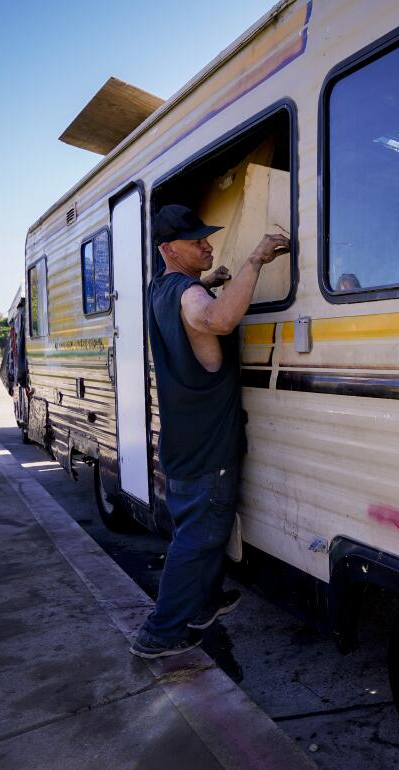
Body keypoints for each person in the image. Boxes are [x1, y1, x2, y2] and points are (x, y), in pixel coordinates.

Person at [130, 204, 290, 659]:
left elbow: (189, 303)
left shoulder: (160, 289)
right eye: (195, 240)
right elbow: (216, 320)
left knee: (198, 532)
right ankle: (159, 633)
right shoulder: (189, 295)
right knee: (197, 540)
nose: (206, 244)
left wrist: (211, 281)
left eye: (206, 236)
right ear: (167, 249)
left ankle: (202, 605)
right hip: (206, 447)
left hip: (182, 441)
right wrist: (255, 260)